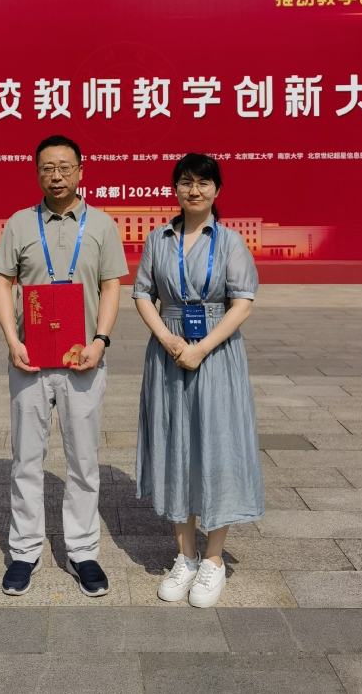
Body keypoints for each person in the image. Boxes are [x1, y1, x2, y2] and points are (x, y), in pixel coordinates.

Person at [0, 135, 129, 597]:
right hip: (30, 361)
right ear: (37, 173)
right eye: (48, 168)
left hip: (82, 361)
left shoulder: (102, 224)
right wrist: (13, 341)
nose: (56, 176)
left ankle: (83, 551)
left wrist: (100, 339)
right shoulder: (19, 223)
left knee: (83, 462)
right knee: (26, 460)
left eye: (65, 167)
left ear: (80, 171)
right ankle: (24, 551)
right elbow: (2, 282)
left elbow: (111, 286)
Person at [133, 153, 263, 608]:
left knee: (218, 444)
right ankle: (185, 556)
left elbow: (242, 303)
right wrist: (170, 340)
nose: (194, 190)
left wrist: (202, 347)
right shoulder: (158, 239)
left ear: (217, 190)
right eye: (186, 182)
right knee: (176, 445)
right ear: (175, 188)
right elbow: (142, 294)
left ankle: (213, 559)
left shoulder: (230, 241)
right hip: (169, 354)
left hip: (216, 354)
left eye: (204, 183)